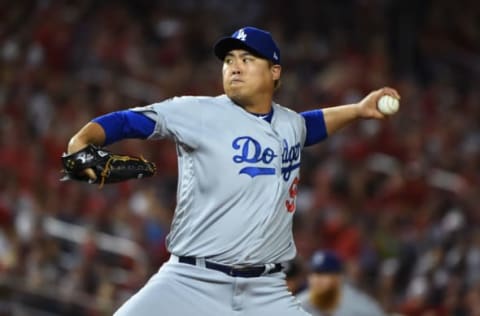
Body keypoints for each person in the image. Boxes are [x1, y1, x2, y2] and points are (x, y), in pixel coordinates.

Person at [65, 26, 400, 315]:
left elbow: (308, 126)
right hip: (190, 280)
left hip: (265, 291)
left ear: (275, 72)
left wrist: (357, 110)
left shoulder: (288, 123)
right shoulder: (197, 112)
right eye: (229, 60)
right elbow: (128, 121)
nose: (234, 67)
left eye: (247, 59)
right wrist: (82, 139)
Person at [296, 250, 386, 316]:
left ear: (338, 278)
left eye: (324, 274)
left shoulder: (359, 304)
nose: (317, 279)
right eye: (315, 274)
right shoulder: (300, 303)